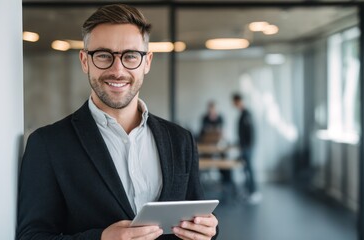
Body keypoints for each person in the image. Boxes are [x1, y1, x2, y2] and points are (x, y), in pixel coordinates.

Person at [17, 4, 218, 240]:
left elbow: (196, 222)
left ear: (147, 62)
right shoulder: (47, 144)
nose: (117, 69)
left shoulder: (180, 140)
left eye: (130, 56)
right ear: (84, 61)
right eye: (103, 55)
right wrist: (101, 238)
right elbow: (31, 236)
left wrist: (209, 231)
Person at [232, 93, 261, 204]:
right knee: (245, 169)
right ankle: (249, 191)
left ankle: (254, 192)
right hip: (244, 147)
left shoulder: (246, 114)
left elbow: (250, 133)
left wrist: (247, 147)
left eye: (235, 102)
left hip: (247, 148)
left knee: (249, 169)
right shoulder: (242, 114)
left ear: (238, 101)